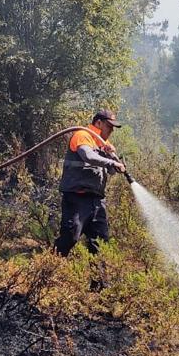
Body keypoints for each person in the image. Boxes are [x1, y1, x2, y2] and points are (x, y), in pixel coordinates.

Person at [55, 108, 127, 256]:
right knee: (70, 236)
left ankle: (99, 273)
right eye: (109, 126)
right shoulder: (82, 135)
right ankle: (50, 266)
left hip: (97, 201)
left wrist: (112, 156)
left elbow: (112, 171)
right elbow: (87, 156)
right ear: (98, 123)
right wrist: (111, 162)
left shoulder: (103, 144)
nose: (112, 130)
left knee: (100, 243)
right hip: (77, 197)